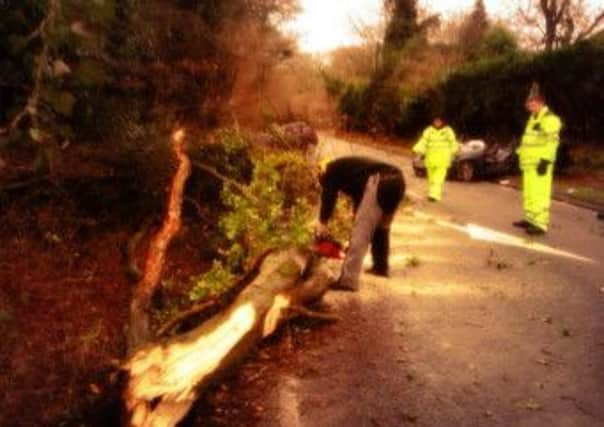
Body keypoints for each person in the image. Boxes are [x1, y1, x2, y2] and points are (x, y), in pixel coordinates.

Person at [317, 156, 405, 291]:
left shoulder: (330, 171)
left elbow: (329, 197)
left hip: (380, 181)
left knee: (361, 232)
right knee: (382, 227)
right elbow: (361, 198)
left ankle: (348, 281)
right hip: (398, 181)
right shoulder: (350, 170)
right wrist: (357, 216)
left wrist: (323, 222)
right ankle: (381, 267)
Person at [514, 84, 563, 235]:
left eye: (532, 103)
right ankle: (530, 219)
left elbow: (552, 142)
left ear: (541, 103)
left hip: (540, 164)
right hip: (529, 164)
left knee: (539, 194)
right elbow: (528, 141)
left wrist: (546, 160)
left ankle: (540, 224)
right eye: (529, 104)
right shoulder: (532, 119)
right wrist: (519, 154)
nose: (530, 106)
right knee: (529, 193)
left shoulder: (550, 119)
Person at [412, 116, 460, 201]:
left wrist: (455, 151)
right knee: (431, 178)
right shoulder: (429, 131)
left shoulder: (447, 131)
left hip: (443, 159)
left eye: (439, 121)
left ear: (443, 122)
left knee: (438, 178)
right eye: (436, 121)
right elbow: (423, 141)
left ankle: (434, 195)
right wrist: (417, 149)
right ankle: (432, 193)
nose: (437, 123)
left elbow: (453, 142)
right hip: (430, 159)